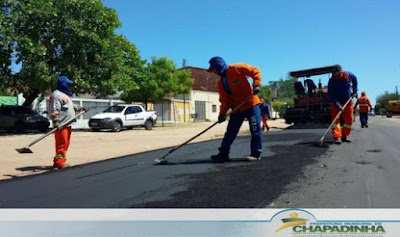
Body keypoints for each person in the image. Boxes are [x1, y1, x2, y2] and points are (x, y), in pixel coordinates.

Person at [207, 56, 263, 162]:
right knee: (230, 132)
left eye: (214, 69)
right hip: (236, 109)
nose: (214, 72)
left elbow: (255, 71)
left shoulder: (237, 68)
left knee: (255, 129)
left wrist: (256, 85)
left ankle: (255, 154)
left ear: (219, 66)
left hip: (250, 104)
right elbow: (224, 101)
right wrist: (222, 114)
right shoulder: (221, 83)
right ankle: (223, 154)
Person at [49, 76, 78, 169]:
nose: (69, 86)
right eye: (68, 84)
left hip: (67, 124)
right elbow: (55, 109)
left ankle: (58, 162)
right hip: (61, 124)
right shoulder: (56, 95)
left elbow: (71, 105)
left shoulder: (65, 95)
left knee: (65, 144)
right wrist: (56, 122)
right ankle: (59, 163)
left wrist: (79, 108)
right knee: (61, 144)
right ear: (63, 84)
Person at [327, 66, 358, 144]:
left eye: (337, 74)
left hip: (347, 101)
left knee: (349, 120)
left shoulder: (349, 75)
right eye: (334, 74)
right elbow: (330, 95)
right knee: (336, 121)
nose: (335, 76)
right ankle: (337, 137)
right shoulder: (332, 81)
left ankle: (344, 136)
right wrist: (337, 104)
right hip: (336, 102)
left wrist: (354, 91)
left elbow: (355, 80)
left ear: (341, 72)